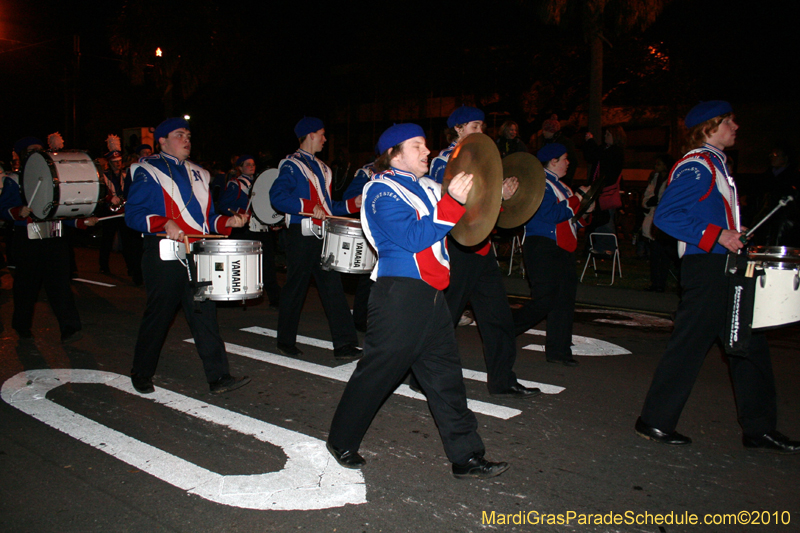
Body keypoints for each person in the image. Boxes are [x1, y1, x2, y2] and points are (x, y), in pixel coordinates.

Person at [327, 123, 509, 479]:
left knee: (446, 379)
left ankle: (466, 456)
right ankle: (341, 439)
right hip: (399, 296)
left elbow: (467, 216)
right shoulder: (379, 190)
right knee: (378, 375)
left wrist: (497, 192)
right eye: (417, 146)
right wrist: (452, 202)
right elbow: (412, 237)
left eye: (426, 145)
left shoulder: (427, 187)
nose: (427, 151)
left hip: (432, 296)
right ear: (394, 153)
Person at [635, 101, 799, 454]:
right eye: (729, 121)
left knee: (748, 345)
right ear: (709, 127)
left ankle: (759, 429)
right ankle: (655, 420)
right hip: (707, 268)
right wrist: (719, 235)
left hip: (724, 267)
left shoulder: (717, 165)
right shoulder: (697, 165)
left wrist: (732, 237)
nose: (736, 126)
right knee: (690, 346)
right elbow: (666, 217)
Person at [124, 117, 251, 395]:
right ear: (162, 141)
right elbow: (133, 215)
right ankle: (141, 372)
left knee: (204, 314)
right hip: (164, 256)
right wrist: (163, 222)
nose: (187, 140)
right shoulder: (147, 170)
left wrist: (227, 223)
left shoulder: (201, 174)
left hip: (198, 253)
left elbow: (207, 221)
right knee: (159, 315)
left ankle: (219, 377)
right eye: (179, 135)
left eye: (189, 135)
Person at [428, 105, 540, 397]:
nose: (481, 131)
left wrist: (502, 197)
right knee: (445, 317)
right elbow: (450, 205)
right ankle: (423, 375)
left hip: (481, 248)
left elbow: (486, 211)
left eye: (482, 126)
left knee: (498, 318)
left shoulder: (486, 160)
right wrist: (493, 192)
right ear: (459, 129)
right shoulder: (443, 161)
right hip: (456, 249)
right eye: (475, 126)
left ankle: (503, 380)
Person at [269, 117, 361, 360]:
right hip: (301, 234)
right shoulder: (291, 164)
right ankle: (285, 341)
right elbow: (277, 197)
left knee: (333, 288)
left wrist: (354, 203)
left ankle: (345, 344)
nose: (325, 138)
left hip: (323, 234)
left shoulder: (324, 168)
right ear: (310, 135)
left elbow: (330, 207)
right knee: (295, 287)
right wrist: (309, 206)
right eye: (321, 133)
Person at [1, 137, 95, 343]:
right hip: (28, 238)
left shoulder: (56, 178)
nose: (36, 152)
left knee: (60, 284)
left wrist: (80, 222)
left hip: (54, 236)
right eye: (31, 150)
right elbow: (4, 209)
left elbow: (61, 209)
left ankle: (69, 326)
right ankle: (22, 325)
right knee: (26, 286)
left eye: (39, 149)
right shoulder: (14, 179)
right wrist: (18, 211)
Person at [512, 143, 593, 366]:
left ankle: (559, 351)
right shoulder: (539, 184)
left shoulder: (564, 188)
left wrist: (587, 211)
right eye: (565, 158)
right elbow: (551, 214)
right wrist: (578, 199)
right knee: (545, 300)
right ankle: (505, 329)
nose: (569, 163)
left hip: (563, 248)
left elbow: (572, 220)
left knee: (564, 302)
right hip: (543, 246)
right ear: (553, 161)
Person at [216, 154, 281, 307]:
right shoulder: (236, 184)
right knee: (242, 266)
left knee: (268, 265)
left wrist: (273, 222)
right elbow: (224, 205)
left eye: (253, 164)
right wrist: (242, 213)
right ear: (240, 168)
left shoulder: (262, 183)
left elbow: (264, 209)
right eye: (247, 164)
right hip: (246, 230)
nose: (251, 167)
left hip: (263, 229)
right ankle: (235, 296)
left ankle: (276, 299)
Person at [341, 159, 376, 332]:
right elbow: (351, 197)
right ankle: (360, 319)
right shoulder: (367, 172)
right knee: (368, 277)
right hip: (374, 229)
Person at [641, 154, 678, 292]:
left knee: (664, 254)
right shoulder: (654, 179)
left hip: (665, 221)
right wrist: (648, 202)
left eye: (659, 164)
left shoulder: (672, 179)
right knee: (655, 254)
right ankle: (655, 283)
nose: (656, 167)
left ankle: (661, 283)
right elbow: (647, 196)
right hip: (653, 219)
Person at [583, 125, 626, 238]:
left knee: (606, 220)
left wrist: (591, 142)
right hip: (599, 190)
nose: (605, 136)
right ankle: (596, 245)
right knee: (598, 219)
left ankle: (609, 247)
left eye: (608, 134)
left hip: (606, 191)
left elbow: (602, 157)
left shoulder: (616, 152)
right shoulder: (604, 148)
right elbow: (591, 156)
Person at [529, 115, 579, 187]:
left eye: (545, 130)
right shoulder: (548, 141)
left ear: (551, 131)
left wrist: (567, 179)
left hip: (562, 177)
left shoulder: (563, 143)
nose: (543, 132)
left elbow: (573, 161)